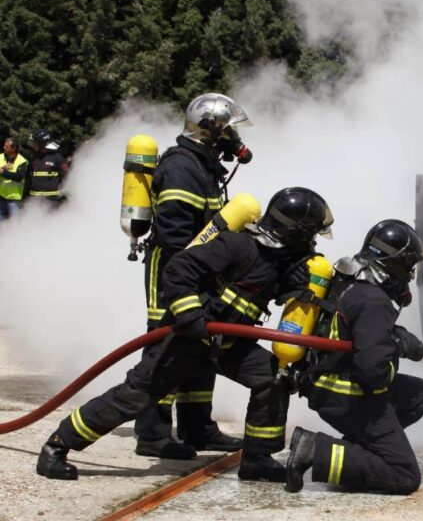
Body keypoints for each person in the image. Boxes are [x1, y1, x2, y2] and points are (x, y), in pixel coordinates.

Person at [36, 187, 335, 481]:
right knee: (134, 397)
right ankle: (57, 445)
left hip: (228, 344)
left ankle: (257, 459)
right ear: (295, 232)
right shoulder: (236, 245)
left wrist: (295, 286)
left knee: (271, 379)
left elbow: (264, 288)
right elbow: (179, 268)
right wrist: (191, 314)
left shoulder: (277, 261)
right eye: (309, 234)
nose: (310, 242)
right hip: (188, 340)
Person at [135, 93, 255, 459]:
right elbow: (175, 234)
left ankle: (196, 427)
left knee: (202, 345)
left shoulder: (202, 166)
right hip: (174, 268)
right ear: (213, 132)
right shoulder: (182, 167)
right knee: (166, 345)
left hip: (197, 269)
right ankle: (153, 434)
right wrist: (187, 279)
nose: (236, 141)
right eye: (230, 133)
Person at [285, 219, 423, 495]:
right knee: (403, 475)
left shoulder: (351, 282)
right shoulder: (375, 301)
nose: (409, 276)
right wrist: (397, 348)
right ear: (393, 266)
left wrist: (392, 335)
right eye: (408, 268)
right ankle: (316, 450)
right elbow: (373, 372)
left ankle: (355, 454)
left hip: (327, 381)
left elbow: (357, 332)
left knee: (422, 394)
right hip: (348, 395)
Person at [26, 129, 69, 203]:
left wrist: (65, 195)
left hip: (53, 201)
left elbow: (66, 177)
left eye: (34, 143)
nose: (32, 145)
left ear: (41, 143)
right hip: (35, 201)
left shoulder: (57, 158)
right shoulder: (34, 158)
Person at [0, 138, 28, 219]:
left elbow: (19, 177)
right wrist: (3, 167)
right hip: (1, 197)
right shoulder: (0, 157)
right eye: (4, 145)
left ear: (13, 148)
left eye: (6, 146)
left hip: (14, 199)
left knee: (15, 224)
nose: (4, 147)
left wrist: (2, 172)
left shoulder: (21, 161)